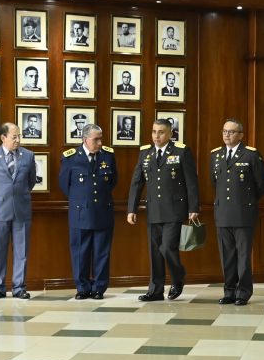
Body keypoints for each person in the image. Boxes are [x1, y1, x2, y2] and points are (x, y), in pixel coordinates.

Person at [126, 118, 200, 301]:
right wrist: (131, 209)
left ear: (170, 134)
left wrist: (193, 207)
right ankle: (155, 290)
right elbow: (137, 182)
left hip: (175, 210)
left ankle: (178, 276)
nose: (156, 136)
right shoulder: (145, 153)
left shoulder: (181, 151)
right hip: (153, 210)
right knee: (155, 252)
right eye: (154, 132)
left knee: (167, 248)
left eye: (161, 132)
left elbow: (191, 182)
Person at [210, 119, 264, 305]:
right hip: (223, 214)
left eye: (232, 132)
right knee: (226, 256)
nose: (227, 135)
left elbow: (261, 184)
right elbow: (215, 183)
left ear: (241, 135)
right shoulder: (216, 155)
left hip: (243, 213)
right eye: (224, 131)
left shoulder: (251, 155)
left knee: (243, 256)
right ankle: (229, 291)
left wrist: (246, 201)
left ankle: (243, 292)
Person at [0, 123, 38, 299]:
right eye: (14, 137)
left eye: (19, 136)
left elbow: (31, 181)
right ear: (3, 138)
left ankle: (19, 287)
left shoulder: (28, 155)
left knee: (22, 251)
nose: (18, 140)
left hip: (22, 209)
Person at [60, 124, 117, 300]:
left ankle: (99, 288)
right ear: (85, 139)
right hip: (80, 213)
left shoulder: (108, 156)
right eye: (96, 139)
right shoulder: (71, 158)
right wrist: (81, 201)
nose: (100, 143)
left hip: (103, 211)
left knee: (102, 252)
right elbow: (65, 185)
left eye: (101, 139)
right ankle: (83, 287)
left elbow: (113, 181)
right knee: (80, 252)